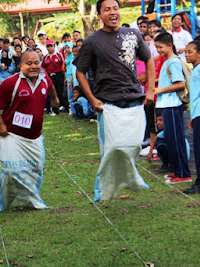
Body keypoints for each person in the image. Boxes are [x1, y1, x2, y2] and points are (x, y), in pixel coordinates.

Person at [74, 0, 155, 201]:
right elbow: (80, 72)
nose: (112, 12)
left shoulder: (133, 34)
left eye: (115, 8)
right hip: (107, 104)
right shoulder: (92, 42)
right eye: (107, 9)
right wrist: (91, 98)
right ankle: (101, 191)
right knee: (110, 149)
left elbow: (149, 60)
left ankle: (130, 179)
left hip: (134, 99)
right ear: (100, 15)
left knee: (135, 145)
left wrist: (151, 90)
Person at [0, 50, 59, 211]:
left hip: (34, 137)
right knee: (11, 168)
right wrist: (0, 124)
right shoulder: (10, 83)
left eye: (36, 63)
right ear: (20, 66)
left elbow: (51, 86)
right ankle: (6, 202)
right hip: (12, 135)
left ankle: (30, 200)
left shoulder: (44, 78)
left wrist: (54, 98)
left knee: (36, 169)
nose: (33, 66)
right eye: (29, 63)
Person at [154, 32, 191, 184]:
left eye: (160, 47)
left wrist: (159, 90)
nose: (158, 50)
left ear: (169, 45)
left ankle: (183, 173)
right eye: (156, 48)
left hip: (173, 105)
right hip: (166, 105)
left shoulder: (173, 62)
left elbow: (180, 83)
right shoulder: (167, 61)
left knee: (176, 140)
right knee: (170, 139)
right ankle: (177, 170)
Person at [184, 40, 200, 193]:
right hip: (198, 113)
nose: (186, 54)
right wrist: (193, 116)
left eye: (190, 52)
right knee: (198, 148)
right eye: (185, 52)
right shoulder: (195, 70)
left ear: (199, 53)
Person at [41, 39, 65, 116]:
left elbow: (63, 67)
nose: (49, 48)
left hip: (58, 75)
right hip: (49, 76)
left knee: (59, 91)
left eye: (51, 46)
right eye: (48, 46)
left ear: (54, 47)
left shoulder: (59, 55)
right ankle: (52, 108)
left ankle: (59, 107)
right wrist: (44, 77)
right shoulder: (45, 57)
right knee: (50, 93)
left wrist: (64, 77)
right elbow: (44, 68)